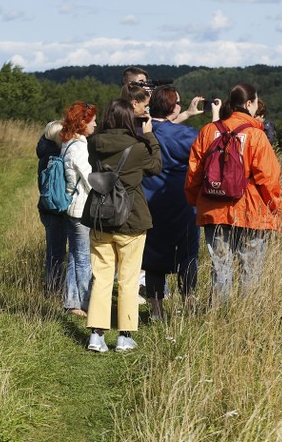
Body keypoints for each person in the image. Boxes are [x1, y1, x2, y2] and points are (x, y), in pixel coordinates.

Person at [185, 83, 282, 305]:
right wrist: (275, 208)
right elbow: (269, 178)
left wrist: (196, 202)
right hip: (251, 212)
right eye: (256, 102)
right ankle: (245, 319)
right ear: (248, 104)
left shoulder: (208, 131)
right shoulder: (256, 135)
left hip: (213, 208)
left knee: (220, 266)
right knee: (250, 268)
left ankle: (218, 319)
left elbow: (193, 173)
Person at [82, 99, 162, 352]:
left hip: (100, 216)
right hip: (131, 217)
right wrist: (149, 136)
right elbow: (156, 167)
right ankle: (124, 336)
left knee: (102, 277)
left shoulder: (94, 143)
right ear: (129, 120)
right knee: (127, 279)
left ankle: (96, 335)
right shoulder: (137, 147)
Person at [141, 87, 220, 319]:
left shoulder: (141, 131)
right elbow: (211, 144)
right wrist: (215, 117)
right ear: (172, 107)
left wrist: (185, 113)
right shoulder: (184, 135)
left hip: (148, 199)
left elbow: (162, 124)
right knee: (186, 253)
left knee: (153, 253)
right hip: (180, 200)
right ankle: (188, 303)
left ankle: (156, 309)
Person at [59, 101, 98, 317]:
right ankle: (87, 303)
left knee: (74, 255)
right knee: (84, 258)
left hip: (70, 208)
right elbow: (91, 180)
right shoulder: (80, 147)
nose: (95, 124)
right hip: (80, 208)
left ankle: (72, 302)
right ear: (83, 122)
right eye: (92, 120)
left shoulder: (66, 143)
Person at [36, 121, 67, 293]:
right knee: (56, 253)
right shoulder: (53, 157)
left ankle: (53, 286)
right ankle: (53, 289)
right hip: (55, 210)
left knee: (54, 251)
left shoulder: (44, 154)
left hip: (46, 208)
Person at [120, 66, 203, 124]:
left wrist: (187, 113)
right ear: (131, 84)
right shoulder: (126, 110)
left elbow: (162, 125)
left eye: (147, 82)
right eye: (142, 82)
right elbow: (159, 127)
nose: (147, 85)